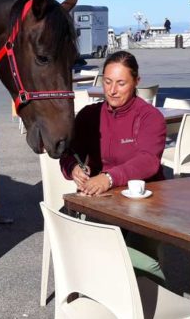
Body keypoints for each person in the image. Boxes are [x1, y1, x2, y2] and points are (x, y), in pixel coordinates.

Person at [61, 51, 167, 283]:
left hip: (147, 204)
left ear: (137, 82)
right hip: (105, 204)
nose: (112, 90)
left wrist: (108, 178)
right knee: (83, 249)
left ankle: (160, 311)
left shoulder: (150, 117)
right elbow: (69, 153)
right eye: (107, 82)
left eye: (121, 83)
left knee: (136, 260)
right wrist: (73, 168)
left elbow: (148, 161)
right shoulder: (89, 115)